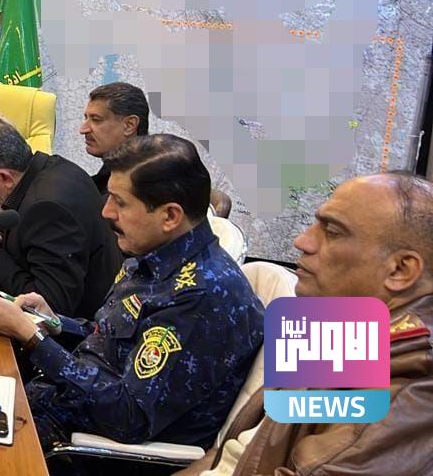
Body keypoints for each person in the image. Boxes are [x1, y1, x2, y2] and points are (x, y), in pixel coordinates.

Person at [0, 134, 264, 452]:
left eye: (120, 202)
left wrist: (32, 337)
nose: (106, 213)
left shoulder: (200, 296)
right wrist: (52, 322)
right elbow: (110, 338)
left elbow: (128, 416)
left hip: (75, 445)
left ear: (170, 216)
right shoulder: (154, 255)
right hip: (52, 402)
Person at [178, 172, 433, 476]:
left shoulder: (411, 382)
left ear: (400, 270)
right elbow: (229, 454)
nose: (302, 242)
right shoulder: (340, 325)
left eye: (333, 232)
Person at [0, 118, 120, 319]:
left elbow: (50, 304)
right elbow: (38, 243)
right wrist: (0, 239)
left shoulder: (48, 207)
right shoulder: (52, 168)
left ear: (4, 177)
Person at [80, 81, 149, 195]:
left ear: (129, 125)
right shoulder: (107, 179)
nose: (83, 129)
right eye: (86, 118)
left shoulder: (144, 188)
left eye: (96, 119)